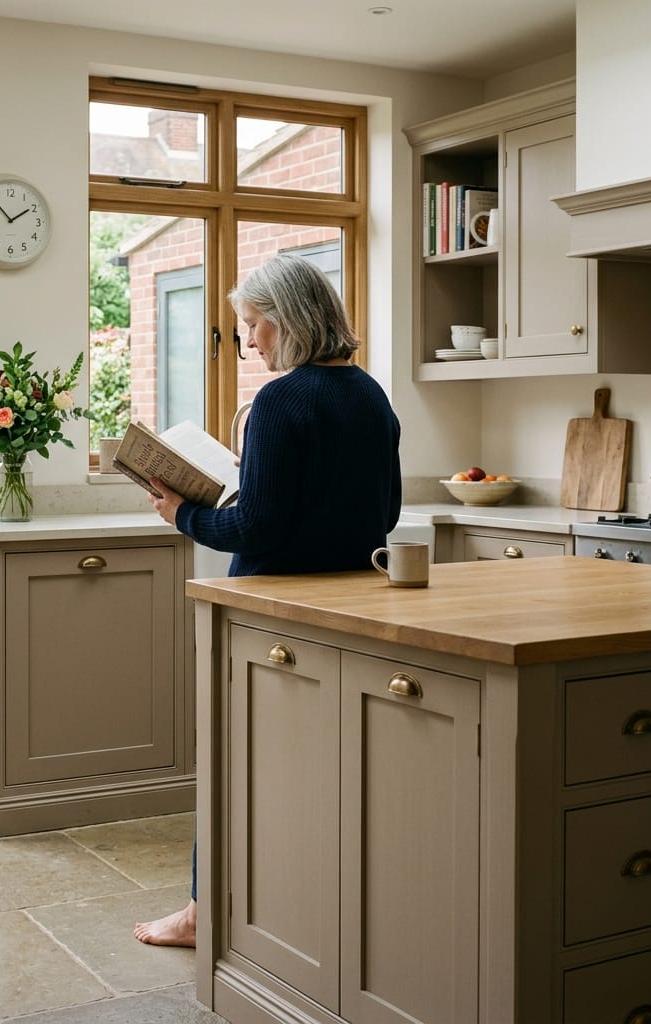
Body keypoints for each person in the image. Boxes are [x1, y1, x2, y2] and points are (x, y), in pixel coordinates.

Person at [133, 254, 402, 947]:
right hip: (356, 605)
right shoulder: (372, 395)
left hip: (268, 609)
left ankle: (202, 915)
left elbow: (254, 527)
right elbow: (387, 512)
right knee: (319, 774)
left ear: (287, 322)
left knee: (234, 763)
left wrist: (183, 515)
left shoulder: (283, 400)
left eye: (253, 326)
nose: (248, 342)